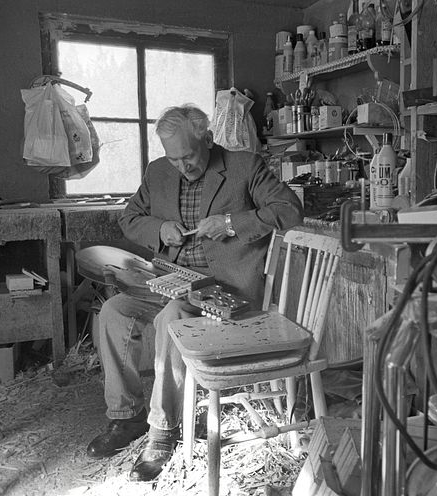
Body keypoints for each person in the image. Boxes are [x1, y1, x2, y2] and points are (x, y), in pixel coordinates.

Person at [85, 104, 303, 482]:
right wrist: (159, 228)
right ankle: (126, 417)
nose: (182, 166)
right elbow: (129, 218)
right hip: (171, 278)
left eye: (188, 156)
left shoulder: (244, 166)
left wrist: (232, 223)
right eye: (174, 158)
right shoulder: (158, 171)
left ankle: (162, 431)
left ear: (208, 138)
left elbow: (290, 210)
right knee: (115, 311)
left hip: (222, 288)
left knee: (172, 320)